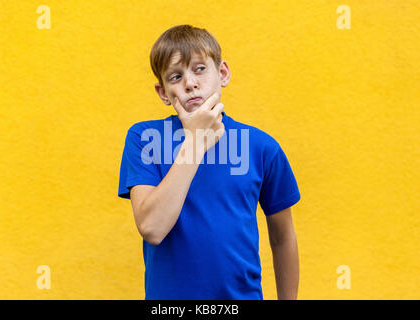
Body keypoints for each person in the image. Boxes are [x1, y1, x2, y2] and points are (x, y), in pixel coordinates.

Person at [118, 24, 301, 300]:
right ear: (164, 93)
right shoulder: (144, 139)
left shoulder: (261, 147)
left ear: (223, 73)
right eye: (176, 76)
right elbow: (153, 228)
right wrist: (195, 142)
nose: (190, 83)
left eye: (200, 69)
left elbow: (283, 237)